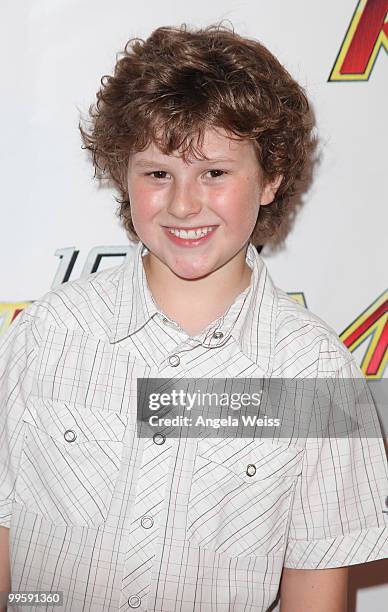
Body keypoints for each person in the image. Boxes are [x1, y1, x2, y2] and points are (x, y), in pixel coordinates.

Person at [0, 24, 387, 612]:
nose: (183, 203)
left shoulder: (317, 373)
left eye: (214, 172)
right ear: (123, 176)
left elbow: (316, 587)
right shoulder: (48, 336)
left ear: (270, 179)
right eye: (158, 173)